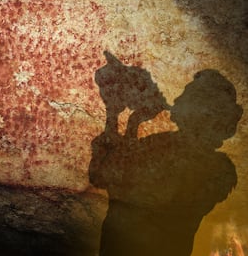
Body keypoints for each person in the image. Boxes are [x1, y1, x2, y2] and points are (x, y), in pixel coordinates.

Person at [90, 68, 243, 256]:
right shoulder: (171, 144)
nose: (177, 100)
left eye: (186, 95)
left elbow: (109, 176)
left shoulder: (202, 163)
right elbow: (110, 171)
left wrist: (116, 114)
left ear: (201, 109)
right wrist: (128, 120)